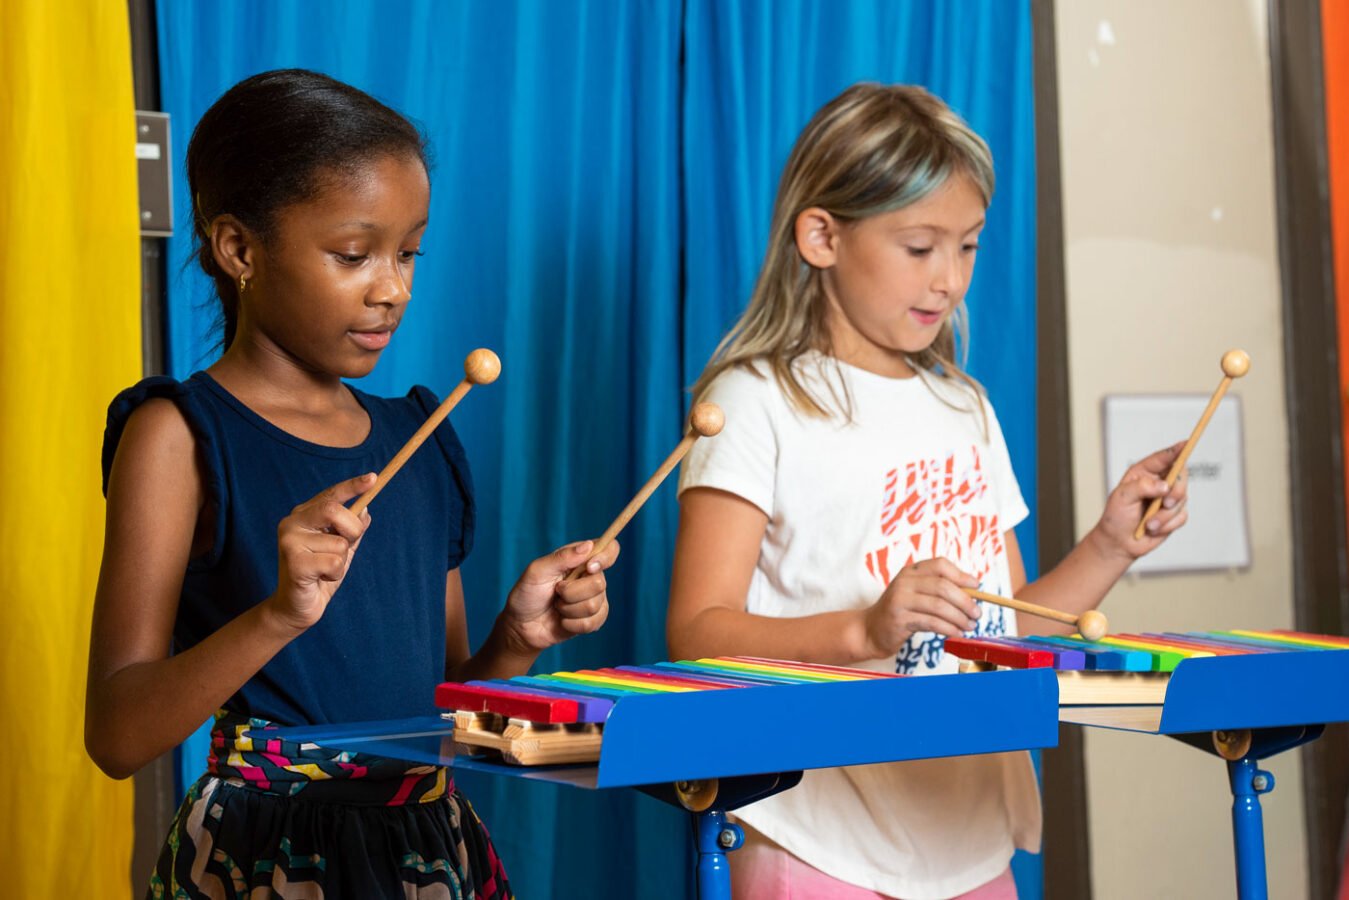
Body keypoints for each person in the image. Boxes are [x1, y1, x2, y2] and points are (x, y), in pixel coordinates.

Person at [86, 69, 617, 899]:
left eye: (407, 253)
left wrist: (518, 638)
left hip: (430, 847)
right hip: (263, 856)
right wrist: (277, 615)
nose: (393, 288)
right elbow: (117, 736)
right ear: (239, 250)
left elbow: (448, 717)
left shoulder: (422, 435)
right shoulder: (178, 435)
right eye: (353, 254)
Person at [667, 83, 1188, 900]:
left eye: (968, 247)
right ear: (820, 236)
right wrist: (864, 629)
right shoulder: (752, 400)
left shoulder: (963, 405)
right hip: (814, 836)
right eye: (919, 247)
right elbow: (696, 633)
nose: (948, 279)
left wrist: (1109, 544)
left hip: (967, 836)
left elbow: (1007, 627)